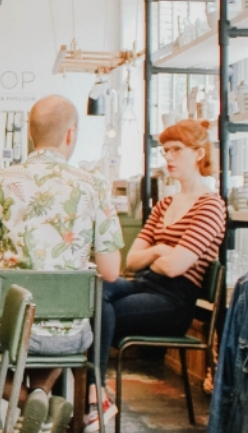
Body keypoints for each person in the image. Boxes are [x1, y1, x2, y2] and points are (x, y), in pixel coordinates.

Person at [0, 95, 122, 410]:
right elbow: (111, 271)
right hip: (72, 333)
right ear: (70, 134)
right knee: (53, 337)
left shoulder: (2, 182)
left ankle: (27, 402)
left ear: (31, 134)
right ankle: (41, 399)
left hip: (11, 327)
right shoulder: (94, 184)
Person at [87, 119, 224, 432]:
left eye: (176, 150)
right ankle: (95, 394)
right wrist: (162, 250)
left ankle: (94, 396)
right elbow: (133, 259)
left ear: (199, 153)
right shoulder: (164, 204)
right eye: (166, 151)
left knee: (99, 309)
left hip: (174, 301)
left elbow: (177, 268)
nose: (169, 158)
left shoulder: (211, 205)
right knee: (95, 288)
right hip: (143, 285)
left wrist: (160, 252)